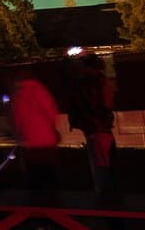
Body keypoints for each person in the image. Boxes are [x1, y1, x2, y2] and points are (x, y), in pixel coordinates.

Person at [68, 53, 117, 194]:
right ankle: (107, 192)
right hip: (98, 127)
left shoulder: (92, 85)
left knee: (101, 164)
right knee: (103, 163)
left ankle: (105, 194)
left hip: (97, 128)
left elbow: (91, 105)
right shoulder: (100, 82)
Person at [10, 71, 60, 195]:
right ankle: (53, 199)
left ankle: (36, 201)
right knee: (49, 174)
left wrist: (18, 135)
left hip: (29, 142)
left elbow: (17, 119)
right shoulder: (41, 90)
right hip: (47, 139)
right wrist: (53, 129)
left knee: (34, 175)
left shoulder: (18, 95)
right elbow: (51, 111)